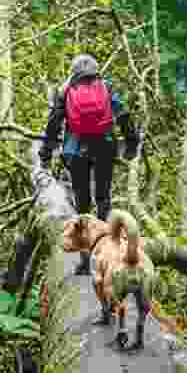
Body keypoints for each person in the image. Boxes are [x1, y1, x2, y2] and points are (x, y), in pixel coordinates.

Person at [38, 54, 139, 275]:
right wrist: (131, 143)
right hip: (105, 146)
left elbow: (53, 123)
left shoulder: (66, 91)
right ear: (96, 69)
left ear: (74, 71)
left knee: (82, 204)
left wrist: (45, 154)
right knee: (103, 200)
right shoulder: (106, 86)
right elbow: (123, 114)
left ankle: (85, 262)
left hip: (76, 151)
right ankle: (106, 255)